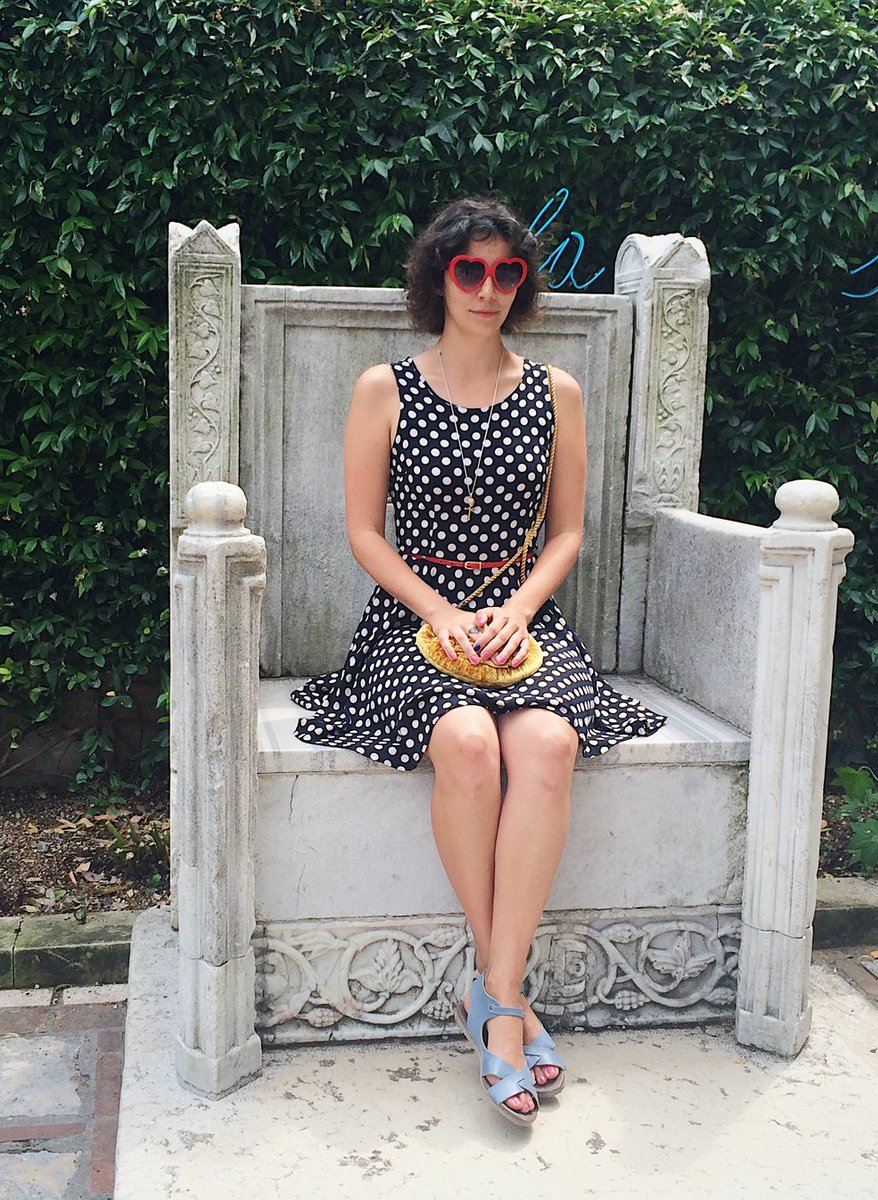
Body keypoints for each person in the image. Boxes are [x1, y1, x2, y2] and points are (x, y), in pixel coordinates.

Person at [291, 195, 666, 1126]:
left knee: (543, 747)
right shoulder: (385, 386)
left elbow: (570, 530)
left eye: (507, 271)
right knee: (464, 743)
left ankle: (492, 995)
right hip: (412, 617)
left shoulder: (555, 393)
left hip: (521, 616)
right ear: (438, 277)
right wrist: (443, 612)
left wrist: (516, 606)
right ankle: (511, 1016)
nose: (490, 287)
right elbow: (362, 534)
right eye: (471, 269)